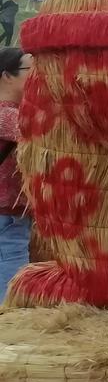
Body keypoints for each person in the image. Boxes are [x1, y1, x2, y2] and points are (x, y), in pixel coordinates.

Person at [0, 49, 33, 294]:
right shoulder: (7, 116)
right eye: (30, 70)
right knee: (12, 275)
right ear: (7, 76)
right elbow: (44, 136)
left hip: (9, 214)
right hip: (6, 215)